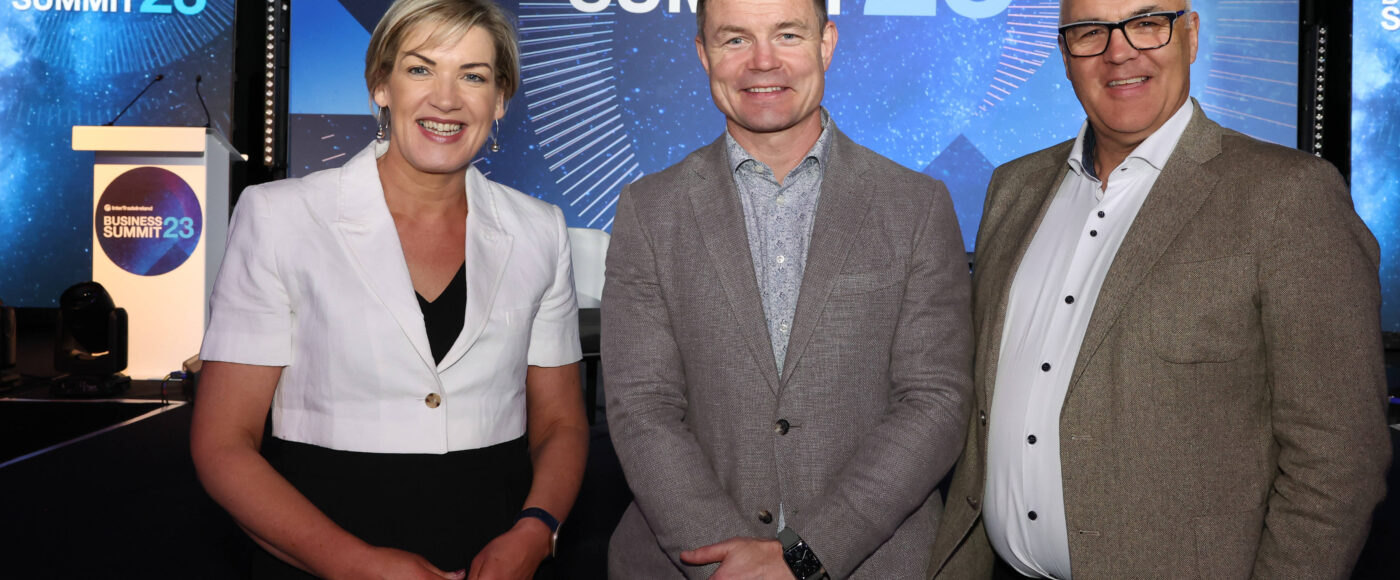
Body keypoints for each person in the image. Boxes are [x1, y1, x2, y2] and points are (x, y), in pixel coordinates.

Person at [928, 0, 1391, 578]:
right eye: (1091, 32)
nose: (1119, 51)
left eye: (1147, 23)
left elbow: (1339, 458)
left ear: (1190, 35)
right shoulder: (1013, 189)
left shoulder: (1289, 199)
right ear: (1065, 56)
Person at [189, 1, 588, 578]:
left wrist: (535, 532)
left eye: (473, 76)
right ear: (381, 85)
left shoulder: (541, 229)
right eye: (420, 69)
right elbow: (223, 444)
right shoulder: (280, 216)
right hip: (320, 550)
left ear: (500, 99)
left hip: (496, 553)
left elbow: (562, 425)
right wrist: (357, 565)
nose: (446, 99)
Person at [601, 0, 974, 578]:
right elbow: (642, 408)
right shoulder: (649, 212)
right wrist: (728, 561)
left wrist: (807, 555)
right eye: (734, 41)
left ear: (826, 44)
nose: (762, 62)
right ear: (703, 55)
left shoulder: (916, 207)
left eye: (787, 35)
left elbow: (936, 402)